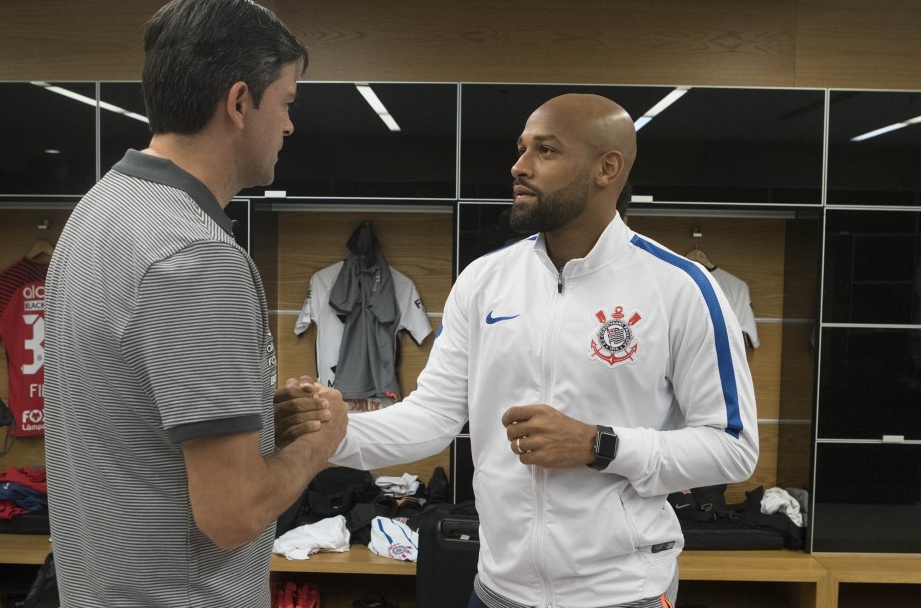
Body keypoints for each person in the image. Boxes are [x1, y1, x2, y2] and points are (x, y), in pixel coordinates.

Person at [278, 93, 759, 608]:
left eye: (545, 151)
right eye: (521, 148)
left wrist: (600, 445)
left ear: (607, 167)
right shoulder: (484, 281)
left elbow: (732, 447)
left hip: (623, 594)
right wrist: (331, 431)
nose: (518, 166)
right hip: (497, 591)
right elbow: (432, 417)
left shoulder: (680, 288)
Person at [44, 0, 347, 607]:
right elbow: (231, 516)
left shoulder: (99, 210)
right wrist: (321, 442)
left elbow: (135, 410)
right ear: (239, 103)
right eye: (286, 103)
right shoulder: (195, 256)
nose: (289, 125)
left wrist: (255, 417)